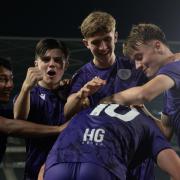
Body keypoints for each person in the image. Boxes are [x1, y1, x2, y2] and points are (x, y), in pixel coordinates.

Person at [64, 11, 157, 180]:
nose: (103, 47)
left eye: (107, 39)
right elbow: (67, 110)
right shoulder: (82, 75)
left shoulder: (135, 65)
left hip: (139, 157)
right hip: (104, 159)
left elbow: (165, 74)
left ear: (115, 36)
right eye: (96, 42)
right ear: (86, 43)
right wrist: (81, 94)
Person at [43, 103, 180, 180]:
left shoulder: (84, 113)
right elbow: (177, 171)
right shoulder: (149, 126)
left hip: (56, 167)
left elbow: (46, 165)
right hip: (100, 168)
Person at [100, 23, 180, 145]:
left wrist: (103, 101)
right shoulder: (170, 86)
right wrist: (144, 112)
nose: (137, 66)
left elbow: (143, 94)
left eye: (139, 57)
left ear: (157, 46)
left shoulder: (175, 66)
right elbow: (165, 133)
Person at [13, 38, 70, 179]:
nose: (52, 64)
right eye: (46, 60)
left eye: (58, 60)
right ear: (36, 64)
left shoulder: (73, 94)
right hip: (35, 171)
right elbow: (18, 120)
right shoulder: (28, 95)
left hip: (68, 171)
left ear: (66, 65)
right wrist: (25, 88)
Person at [0, 57, 68, 164]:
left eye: (11, 78)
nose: (9, 85)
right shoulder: (5, 121)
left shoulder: (3, 112)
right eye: (2, 79)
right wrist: (59, 129)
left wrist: (56, 88)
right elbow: (9, 126)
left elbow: (23, 118)